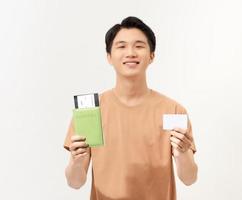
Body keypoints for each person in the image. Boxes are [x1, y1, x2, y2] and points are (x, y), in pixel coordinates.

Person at [63, 16, 198, 200]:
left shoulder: (173, 110)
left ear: (152, 56)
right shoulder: (91, 111)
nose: (131, 53)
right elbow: (75, 182)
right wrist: (76, 161)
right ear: (109, 57)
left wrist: (182, 153)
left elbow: (189, 178)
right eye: (121, 46)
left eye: (139, 46)